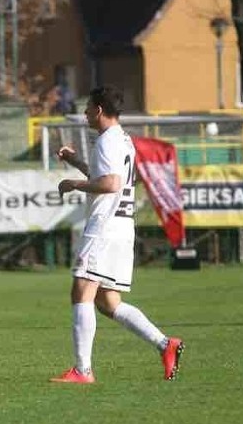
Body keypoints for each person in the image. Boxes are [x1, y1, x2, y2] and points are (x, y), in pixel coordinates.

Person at [51, 86, 183, 384]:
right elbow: (109, 177)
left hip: (105, 227)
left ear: (98, 110)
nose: (85, 113)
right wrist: (76, 162)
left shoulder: (108, 141)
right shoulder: (122, 139)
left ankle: (82, 371)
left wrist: (74, 184)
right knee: (108, 302)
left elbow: (110, 184)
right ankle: (165, 344)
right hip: (122, 226)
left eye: (87, 108)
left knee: (81, 290)